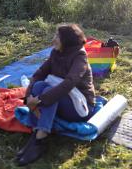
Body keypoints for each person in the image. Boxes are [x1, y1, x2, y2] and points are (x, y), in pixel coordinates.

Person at [16, 24, 96, 166]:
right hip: (63, 100)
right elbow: (39, 74)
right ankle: (36, 132)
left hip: (81, 106)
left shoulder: (80, 57)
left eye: (57, 37)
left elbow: (69, 83)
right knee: (38, 85)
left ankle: (41, 138)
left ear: (67, 40)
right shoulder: (56, 53)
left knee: (47, 91)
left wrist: (39, 100)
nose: (54, 40)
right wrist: (29, 97)